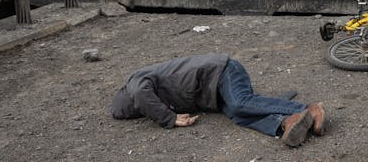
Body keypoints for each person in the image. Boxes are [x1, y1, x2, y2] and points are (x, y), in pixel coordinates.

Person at [109, 53, 325, 147]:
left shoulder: (135, 82)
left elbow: (141, 96)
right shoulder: (150, 90)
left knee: (239, 103)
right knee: (237, 115)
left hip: (222, 71)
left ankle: (308, 108)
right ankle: (287, 122)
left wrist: (168, 118)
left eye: (139, 110)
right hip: (214, 94)